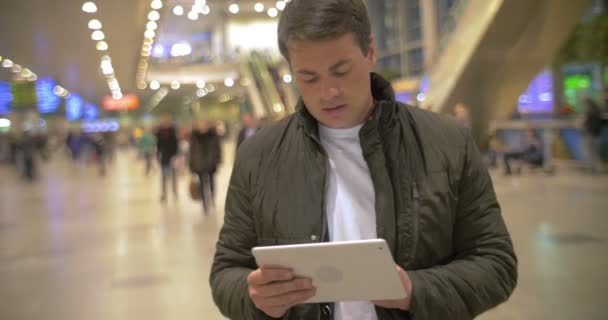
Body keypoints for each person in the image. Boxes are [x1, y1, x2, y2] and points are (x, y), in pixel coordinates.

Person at [209, 1, 517, 319]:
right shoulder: (258, 156)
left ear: (370, 51)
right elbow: (225, 273)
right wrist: (253, 294)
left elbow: (497, 264)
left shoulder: (447, 143)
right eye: (309, 78)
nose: (329, 92)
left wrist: (414, 290)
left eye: (341, 71)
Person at [189, 119, 222, 214]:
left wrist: (218, 159)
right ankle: (204, 204)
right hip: (198, 164)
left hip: (210, 163)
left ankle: (211, 197)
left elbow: (218, 148)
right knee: (202, 185)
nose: (202, 126)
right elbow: (191, 151)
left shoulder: (213, 134)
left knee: (211, 182)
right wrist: (191, 164)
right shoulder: (194, 135)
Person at [156, 115, 179, 201]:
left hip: (172, 156)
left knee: (173, 176)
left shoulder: (173, 131)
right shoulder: (159, 132)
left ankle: (174, 192)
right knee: (164, 176)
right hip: (164, 157)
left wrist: (176, 155)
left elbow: (176, 144)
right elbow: (158, 145)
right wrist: (158, 154)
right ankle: (164, 193)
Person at [583, 98, 603, 173]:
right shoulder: (597, 110)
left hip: (590, 132)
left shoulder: (590, 111)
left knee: (589, 151)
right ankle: (598, 168)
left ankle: (591, 168)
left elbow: (585, 121)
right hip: (596, 133)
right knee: (594, 151)